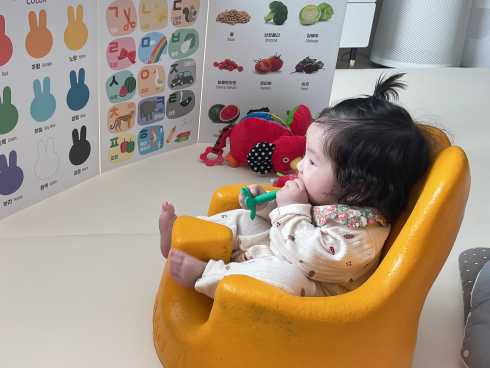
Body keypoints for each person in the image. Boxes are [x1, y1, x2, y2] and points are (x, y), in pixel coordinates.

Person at [158, 73, 435, 298]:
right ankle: (184, 235)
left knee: (284, 278)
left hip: (311, 286)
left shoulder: (362, 237)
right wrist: (266, 203)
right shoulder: (335, 196)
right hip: (281, 248)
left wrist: (291, 208)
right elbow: (292, 222)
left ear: (358, 188)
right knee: (245, 220)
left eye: (312, 161)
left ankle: (206, 274)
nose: (300, 165)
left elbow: (309, 258)